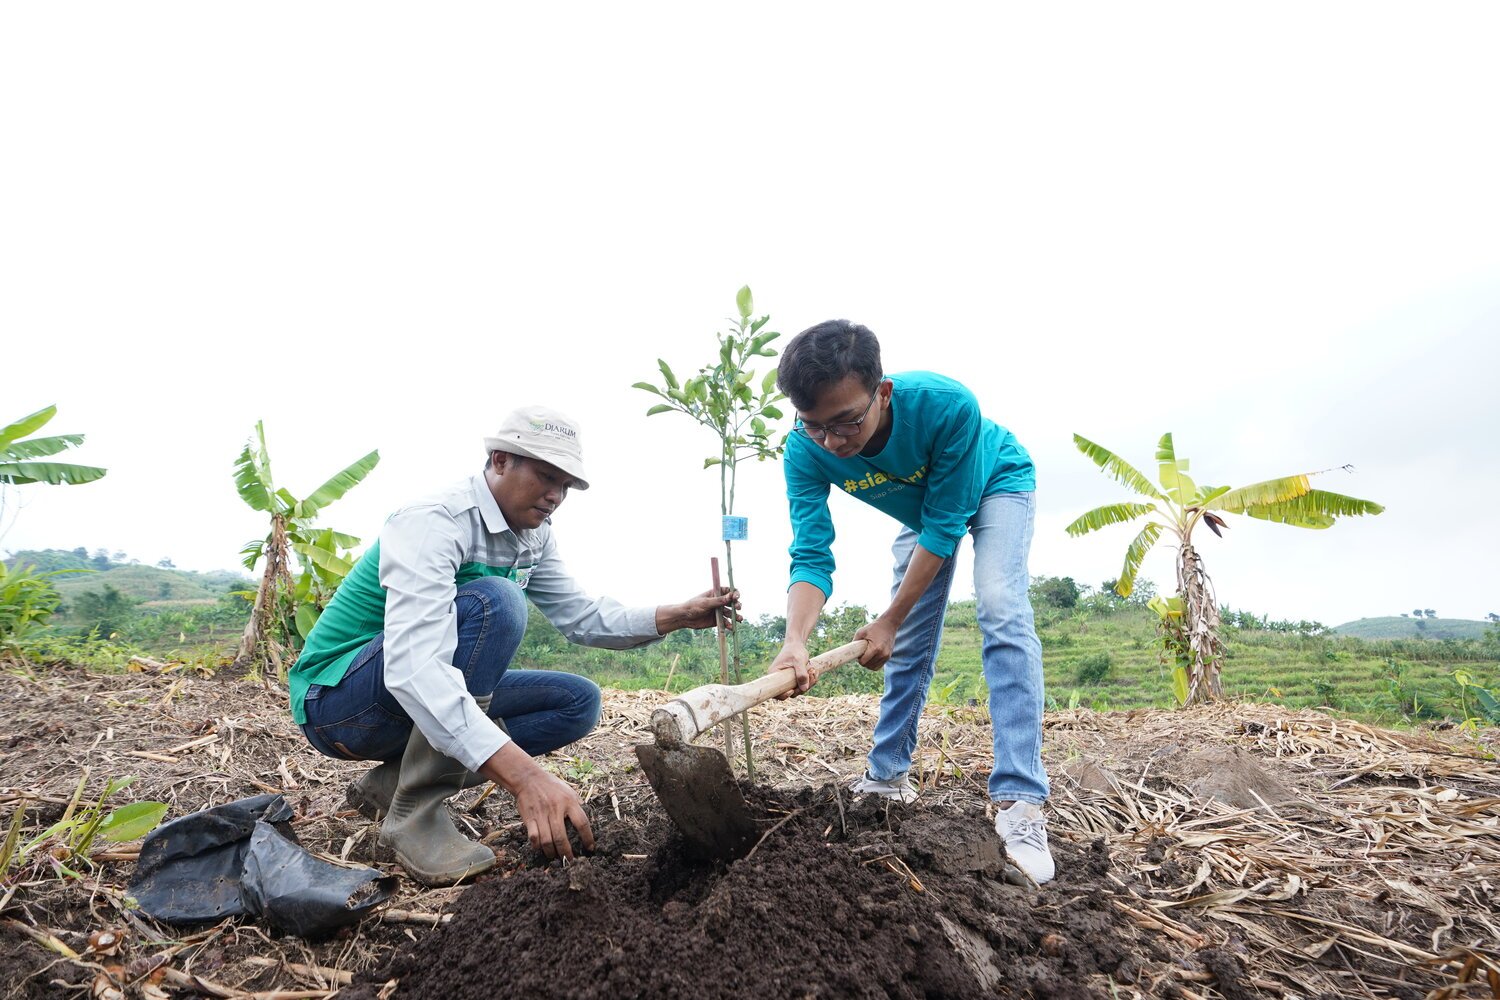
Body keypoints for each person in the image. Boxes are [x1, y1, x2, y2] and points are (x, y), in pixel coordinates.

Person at [290, 406, 737, 886]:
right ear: (501, 460)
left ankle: (391, 785)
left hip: (406, 697)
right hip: (339, 702)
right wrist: (526, 778)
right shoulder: (435, 521)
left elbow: (582, 616)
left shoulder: (533, 536)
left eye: (565, 485)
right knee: (498, 602)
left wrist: (677, 616)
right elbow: (414, 668)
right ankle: (414, 814)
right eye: (546, 477)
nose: (556, 496)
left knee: (577, 702)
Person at [769, 320, 1054, 884]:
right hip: (927, 511)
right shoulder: (804, 448)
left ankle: (1021, 802)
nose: (833, 442)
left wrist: (890, 620)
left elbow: (945, 527)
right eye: (814, 425)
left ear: (882, 392)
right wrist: (794, 641)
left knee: (1000, 605)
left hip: (996, 480)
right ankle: (887, 777)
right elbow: (811, 553)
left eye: (846, 422)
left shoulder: (945, 405)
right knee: (906, 640)